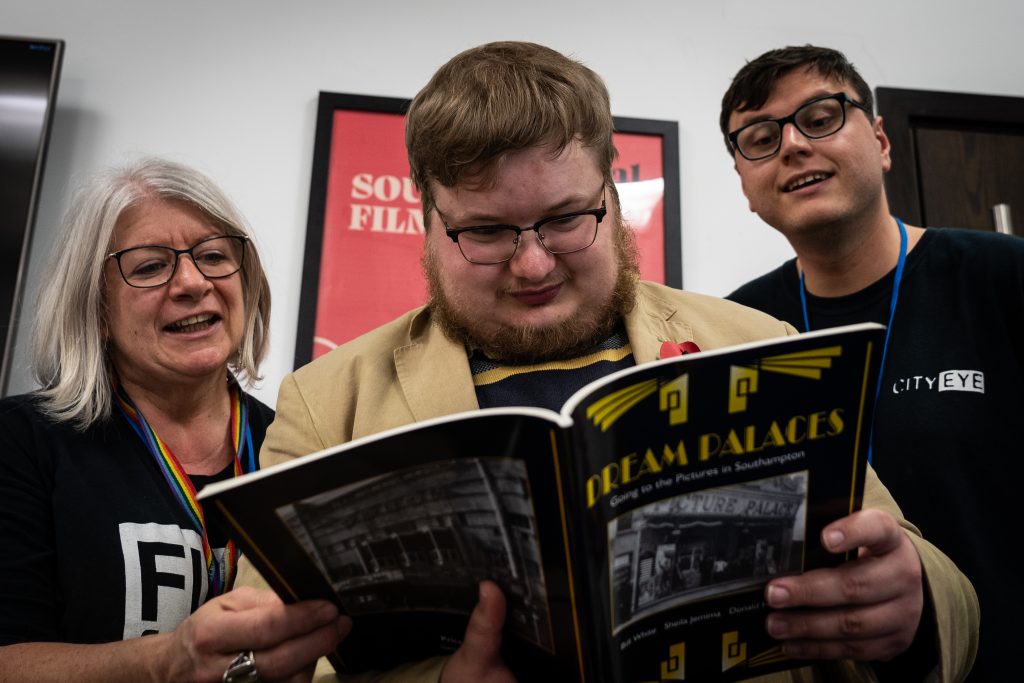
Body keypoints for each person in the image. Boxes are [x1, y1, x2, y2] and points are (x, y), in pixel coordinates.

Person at [243, 42, 978, 682]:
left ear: (611, 196)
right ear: (428, 219)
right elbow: (270, 663)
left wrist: (911, 599)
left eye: (567, 218)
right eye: (488, 231)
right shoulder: (323, 403)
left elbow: (940, 593)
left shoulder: (759, 339)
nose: (533, 265)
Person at [721, 44, 1021, 682]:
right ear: (746, 188)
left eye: (821, 116)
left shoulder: (1001, 277)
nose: (794, 146)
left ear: (881, 141)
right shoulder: (734, 331)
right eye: (760, 138)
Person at [0, 158, 350, 682]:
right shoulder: (21, 442)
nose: (192, 282)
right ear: (94, 306)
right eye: (149, 267)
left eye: (213, 256)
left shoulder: (297, 444)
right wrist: (165, 662)